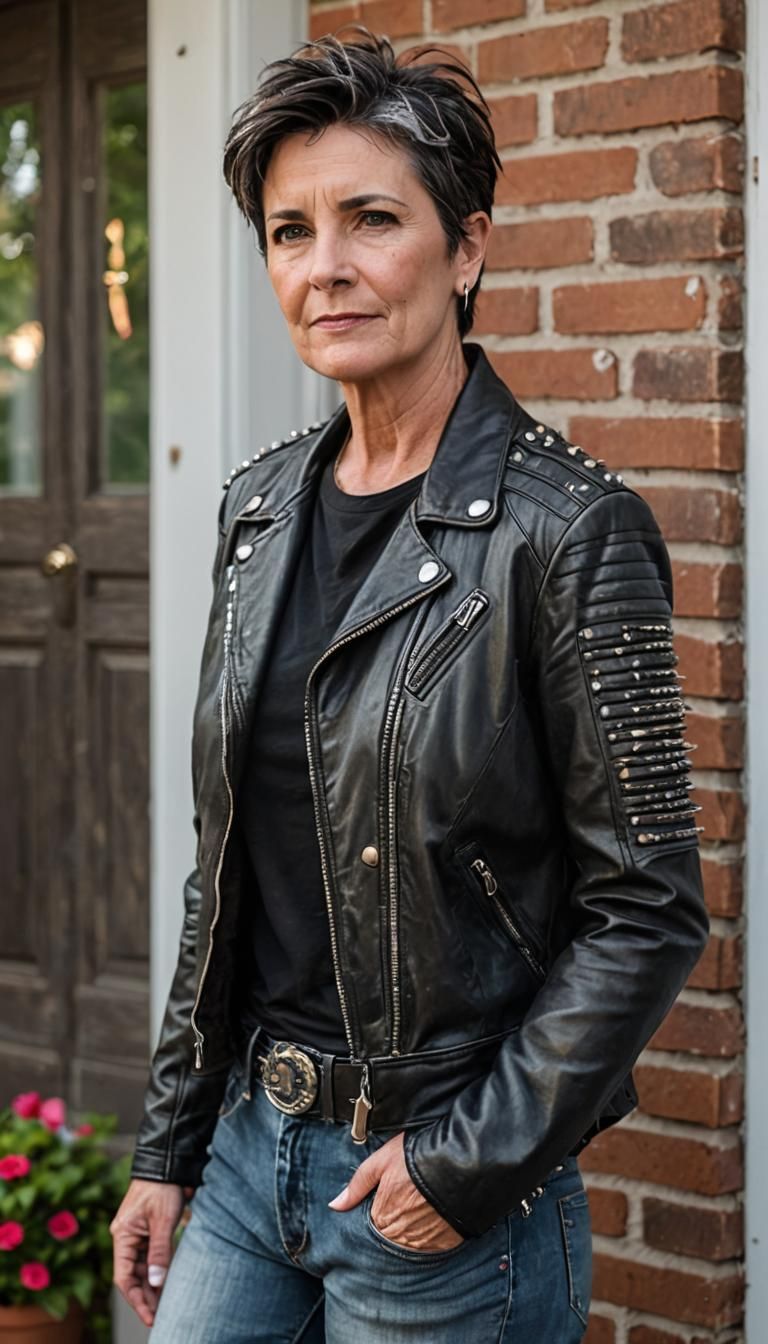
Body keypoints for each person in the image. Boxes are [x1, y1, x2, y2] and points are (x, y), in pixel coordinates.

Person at [110, 27, 709, 1343]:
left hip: (435, 1185)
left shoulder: (569, 532)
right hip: (246, 1161)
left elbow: (649, 905)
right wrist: (171, 1142)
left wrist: (467, 1161)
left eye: (371, 220)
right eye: (289, 230)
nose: (325, 267)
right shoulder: (258, 509)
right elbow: (228, 876)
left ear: (469, 247)